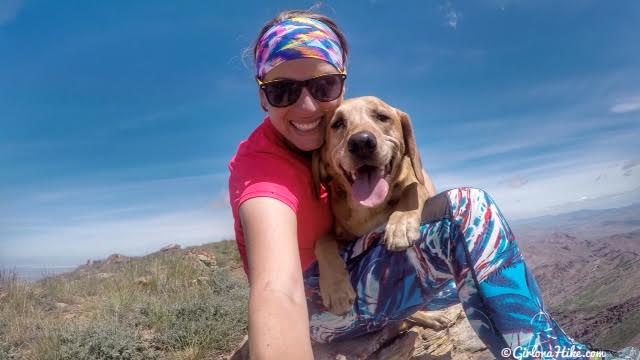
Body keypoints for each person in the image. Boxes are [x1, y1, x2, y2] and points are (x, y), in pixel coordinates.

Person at [228, 10, 618, 360]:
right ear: (263, 97)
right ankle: (551, 356)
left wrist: (409, 195)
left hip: (360, 275)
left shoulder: (334, 147)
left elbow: (426, 197)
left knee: (454, 247)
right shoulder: (261, 169)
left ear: (342, 85)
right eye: (282, 90)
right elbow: (277, 289)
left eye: (323, 86)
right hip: (319, 311)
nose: (307, 106)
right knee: (468, 208)